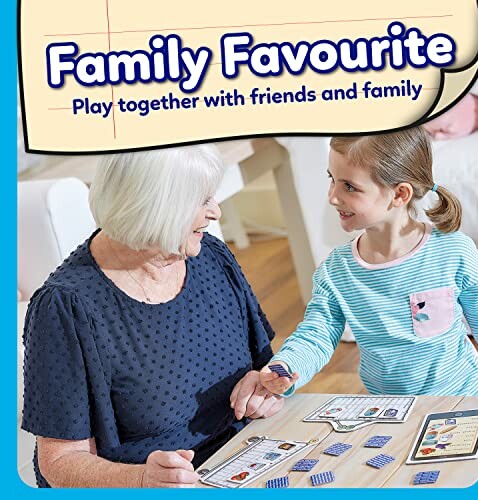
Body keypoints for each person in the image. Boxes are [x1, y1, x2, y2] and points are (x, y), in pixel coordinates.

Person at [21, 145, 284, 488]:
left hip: (244, 460)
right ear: (156, 206)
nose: (216, 212)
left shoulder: (211, 256)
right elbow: (59, 462)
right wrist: (142, 479)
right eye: (202, 201)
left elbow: (265, 369)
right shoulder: (66, 307)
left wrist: (264, 388)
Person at [260, 127, 478, 397]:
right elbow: (317, 332)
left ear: (400, 194)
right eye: (332, 179)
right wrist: (287, 365)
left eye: (349, 186)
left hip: (464, 398)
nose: (332, 196)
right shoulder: (336, 271)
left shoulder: (452, 252)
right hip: (390, 411)